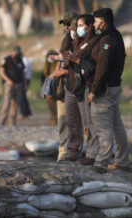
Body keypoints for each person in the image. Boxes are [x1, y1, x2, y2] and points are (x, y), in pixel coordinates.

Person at [89, 8, 129, 170]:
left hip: (104, 89)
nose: (94, 24)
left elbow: (102, 67)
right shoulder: (116, 35)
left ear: (103, 22)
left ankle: (101, 162)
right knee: (116, 125)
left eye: (96, 21)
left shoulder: (108, 39)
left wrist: (94, 89)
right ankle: (122, 161)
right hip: (114, 87)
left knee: (103, 126)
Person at [65, 14, 100, 164]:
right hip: (76, 86)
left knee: (89, 122)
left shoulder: (94, 41)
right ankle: (83, 153)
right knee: (76, 122)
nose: (78, 29)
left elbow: (91, 65)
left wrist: (75, 59)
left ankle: (93, 154)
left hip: (87, 86)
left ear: (90, 25)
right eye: (77, 25)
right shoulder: (78, 41)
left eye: (80, 25)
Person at [50, 11, 78, 162]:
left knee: (74, 122)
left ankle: (73, 153)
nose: (66, 27)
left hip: (75, 86)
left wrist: (62, 71)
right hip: (63, 87)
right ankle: (63, 153)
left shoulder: (81, 41)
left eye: (68, 23)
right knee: (63, 122)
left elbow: (78, 65)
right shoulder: (66, 40)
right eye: (64, 24)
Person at [0, 45, 26, 126]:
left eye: (18, 52)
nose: (17, 53)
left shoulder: (20, 59)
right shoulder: (6, 59)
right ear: (12, 51)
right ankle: (1, 122)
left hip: (19, 85)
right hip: (9, 85)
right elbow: (1, 72)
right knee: (7, 103)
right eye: (16, 52)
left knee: (15, 105)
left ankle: (12, 123)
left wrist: (25, 84)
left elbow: (23, 72)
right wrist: (8, 80)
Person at [41, 50, 59, 126]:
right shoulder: (45, 67)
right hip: (49, 90)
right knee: (51, 107)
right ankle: (54, 120)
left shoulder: (58, 65)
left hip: (58, 88)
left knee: (59, 107)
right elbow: (42, 81)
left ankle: (59, 121)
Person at [17, 51, 32, 120]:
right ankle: (28, 112)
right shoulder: (27, 60)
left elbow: (24, 72)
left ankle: (23, 113)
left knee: (21, 98)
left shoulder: (24, 61)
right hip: (27, 79)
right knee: (23, 97)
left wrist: (25, 83)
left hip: (24, 80)